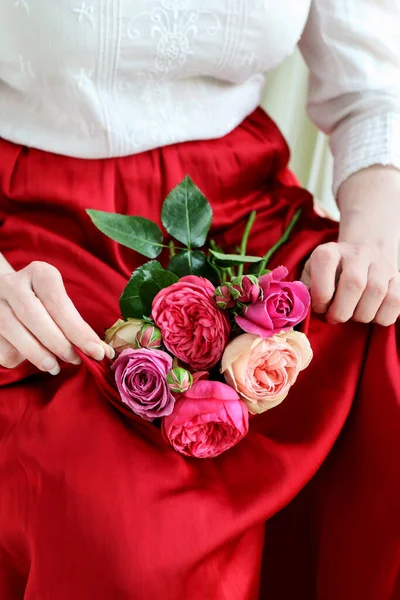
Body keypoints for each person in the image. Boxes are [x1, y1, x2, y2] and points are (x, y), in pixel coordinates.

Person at [0, 1, 399, 598]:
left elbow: (371, 90)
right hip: (34, 237)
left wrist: (374, 239)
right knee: (125, 526)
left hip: (243, 220)